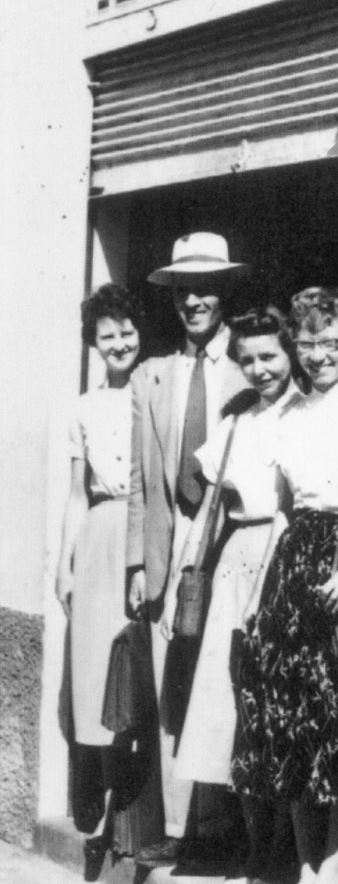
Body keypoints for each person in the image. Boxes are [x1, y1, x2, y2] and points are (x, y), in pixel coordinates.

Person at [231, 287, 338, 884]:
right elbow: (282, 512)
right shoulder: (290, 413)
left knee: (337, 722)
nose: (320, 355)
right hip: (291, 573)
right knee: (287, 722)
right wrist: (255, 597)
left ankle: (335, 864)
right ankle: (302, 862)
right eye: (308, 342)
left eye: (331, 341)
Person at [160, 306, 302, 881]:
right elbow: (209, 512)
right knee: (229, 711)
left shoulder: (307, 416)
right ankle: (255, 851)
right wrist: (179, 582)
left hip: (286, 561)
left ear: (291, 352)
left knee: (275, 711)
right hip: (235, 563)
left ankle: (286, 855)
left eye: (269, 355)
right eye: (247, 359)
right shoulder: (238, 420)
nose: (259, 368)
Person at [126, 232, 251, 867]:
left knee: (216, 684)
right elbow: (141, 482)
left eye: (205, 288)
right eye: (183, 291)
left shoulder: (249, 370)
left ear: (224, 292)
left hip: (224, 545)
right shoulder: (154, 374)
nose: (194, 300)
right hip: (167, 547)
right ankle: (178, 824)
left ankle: (217, 826)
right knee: (172, 688)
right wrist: (135, 562)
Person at [55, 283, 145, 874]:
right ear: (94, 343)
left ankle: (129, 817)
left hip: (138, 541)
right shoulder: (84, 407)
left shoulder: (154, 392)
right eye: (106, 335)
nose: (118, 342)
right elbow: (75, 495)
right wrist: (64, 562)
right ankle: (96, 810)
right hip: (96, 541)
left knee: (132, 677)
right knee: (90, 679)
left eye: (126, 331)